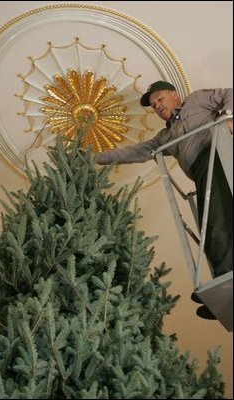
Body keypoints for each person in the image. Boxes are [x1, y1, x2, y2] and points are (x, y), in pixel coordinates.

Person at [95, 81, 233, 320]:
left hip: (218, 157)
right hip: (203, 175)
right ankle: (224, 281)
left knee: (218, 218)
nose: (157, 106)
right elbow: (134, 152)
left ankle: (228, 279)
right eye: (153, 105)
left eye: (159, 99)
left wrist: (230, 119)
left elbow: (228, 93)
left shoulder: (197, 100)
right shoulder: (165, 137)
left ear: (174, 95)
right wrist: (95, 158)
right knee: (208, 225)